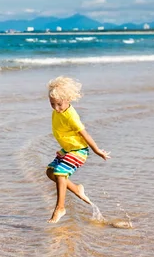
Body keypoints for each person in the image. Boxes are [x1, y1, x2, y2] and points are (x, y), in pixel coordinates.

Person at [46, 76, 110, 223]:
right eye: (52, 104)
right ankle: (76, 189)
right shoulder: (58, 112)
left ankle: (60, 208)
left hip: (79, 150)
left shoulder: (71, 116)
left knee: (60, 173)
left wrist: (97, 150)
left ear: (68, 99)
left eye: (59, 104)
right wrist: (63, 150)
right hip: (68, 149)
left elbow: (84, 134)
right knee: (50, 172)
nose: (56, 108)